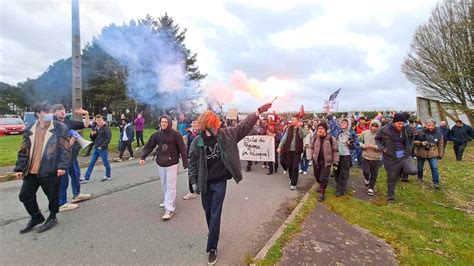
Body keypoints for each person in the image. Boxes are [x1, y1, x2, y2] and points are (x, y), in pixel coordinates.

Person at [188, 103, 272, 265]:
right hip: (204, 183)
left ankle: (212, 248)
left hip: (219, 182)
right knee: (208, 212)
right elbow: (192, 163)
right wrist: (194, 182)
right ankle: (213, 232)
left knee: (215, 214)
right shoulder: (197, 142)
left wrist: (258, 111)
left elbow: (243, 127)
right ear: (206, 125)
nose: (216, 128)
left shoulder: (225, 135)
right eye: (212, 125)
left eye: (216, 125)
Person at [14, 102, 71, 234]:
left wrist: (62, 166)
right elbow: (23, 150)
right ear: (38, 113)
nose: (49, 114)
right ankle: (36, 217)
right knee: (24, 195)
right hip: (32, 170)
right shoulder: (30, 128)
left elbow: (65, 148)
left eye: (50, 111)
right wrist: (19, 168)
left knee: (52, 196)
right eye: (46, 112)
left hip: (50, 169)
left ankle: (52, 217)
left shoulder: (59, 127)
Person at [139, 115, 188, 220]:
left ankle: (170, 208)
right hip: (160, 163)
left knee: (171, 185)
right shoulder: (157, 135)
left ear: (169, 123)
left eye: (166, 122)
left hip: (172, 163)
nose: (164, 124)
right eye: (162, 122)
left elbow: (182, 148)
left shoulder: (176, 135)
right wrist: (143, 157)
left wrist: (185, 162)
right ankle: (167, 200)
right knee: (164, 184)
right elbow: (149, 146)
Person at [52, 104, 91, 212]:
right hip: (61, 157)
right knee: (63, 180)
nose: (62, 111)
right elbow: (54, 141)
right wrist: (70, 141)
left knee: (76, 174)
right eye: (59, 110)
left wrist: (86, 114)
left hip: (72, 155)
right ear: (54, 113)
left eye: (63, 109)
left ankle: (77, 195)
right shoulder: (53, 124)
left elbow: (86, 125)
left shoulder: (68, 122)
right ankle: (62, 203)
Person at [375, 113, 417, 202]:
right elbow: (377, 139)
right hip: (390, 157)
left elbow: (411, 139)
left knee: (413, 170)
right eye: (399, 123)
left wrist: (409, 149)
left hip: (404, 156)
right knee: (392, 177)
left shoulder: (406, 129)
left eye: (402, 123)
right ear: (394, 122)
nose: (401, 125)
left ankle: (400, 170)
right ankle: (391, 196)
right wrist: (382, 148)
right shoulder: (385, 129)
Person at [327, 114, 359, 197]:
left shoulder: (352, 133)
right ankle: (339, 184)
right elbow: (332, 123)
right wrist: (329, 114)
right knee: (336, 171)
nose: (343, 125)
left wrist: (350, 144)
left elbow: (357, 144)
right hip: (337, 155)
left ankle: (341, 190)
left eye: (345, 123)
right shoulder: (337, 130)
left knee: (344, 173)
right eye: (342, 123)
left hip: (347, 156)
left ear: (348, 124)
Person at [309, 121, 339, 202]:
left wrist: (335, 162)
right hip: (316, 161)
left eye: (322, 128)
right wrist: (311, 157)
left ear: (325, 129)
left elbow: (335, 151)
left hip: (326, 162)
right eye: (318, 128)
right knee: (317, 176)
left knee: (323, 178)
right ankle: (321, 186)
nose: (320, 130)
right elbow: (311, 148)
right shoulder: (315, 138)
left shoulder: (331, 139)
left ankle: (322, 193)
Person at [277, 115, 308, 190]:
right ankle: (291, 178)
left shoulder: (302, 129)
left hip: (297, 151)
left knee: (295, 167)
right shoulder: (289, 128)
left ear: (297, 120)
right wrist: (279, 146)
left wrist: (300, 128)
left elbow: (303, 136)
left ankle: (294, 184)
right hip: (289, 151)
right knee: (290, 166)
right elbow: (284, 138)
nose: (292, 121)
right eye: (292, 119)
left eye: (294, 119)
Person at [414, 119, 444, 189]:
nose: (430, 127)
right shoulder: (419, 132)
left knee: (434, 167)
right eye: (429, 125)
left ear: (434, 125)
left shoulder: (439, 134)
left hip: (432, 153)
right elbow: (412, 141)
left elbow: (440, 145)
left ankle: (436, 182)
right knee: (420, 167)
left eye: (432, 125)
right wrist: (421, 143)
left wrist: (440, 154)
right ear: (425, 125)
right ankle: (420, 178)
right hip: (421, 153)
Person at [82, 115, 112, 182]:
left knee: (105, 163)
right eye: (97, 120)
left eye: (100, 120)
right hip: (96, 148)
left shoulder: (106, 128)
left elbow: (108, 139)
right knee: (91, 163)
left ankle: (108, 175)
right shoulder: (95, 127)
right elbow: (92, 138)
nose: (99, 121)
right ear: (95, 120)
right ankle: (86, 178)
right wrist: (92, 134)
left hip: (102, 149)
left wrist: (102, 146)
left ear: (103, 120)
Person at [359, 119, 382, 196]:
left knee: (374, 174)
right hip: (366, 155)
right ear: (370, 126)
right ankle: (367, 179)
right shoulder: (365, 133)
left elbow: (383, 146)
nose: (374, 128)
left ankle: (371, 188)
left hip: (376, 157)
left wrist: (374, 146)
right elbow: (359, 141)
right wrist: (362, 146)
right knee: (366, 171)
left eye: (376, 126)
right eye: (373, 126)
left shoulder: (381, 135)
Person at [183, 118, 200, 200]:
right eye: (193, 123)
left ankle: (199, 189)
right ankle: (192, 192)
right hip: (191, 157)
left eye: (196, 123)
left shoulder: (201, 133)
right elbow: (188, 145)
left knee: (200, 173)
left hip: (200, 157)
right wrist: (186, 156)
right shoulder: (189, 133)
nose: (195, 124)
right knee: (191, 173)